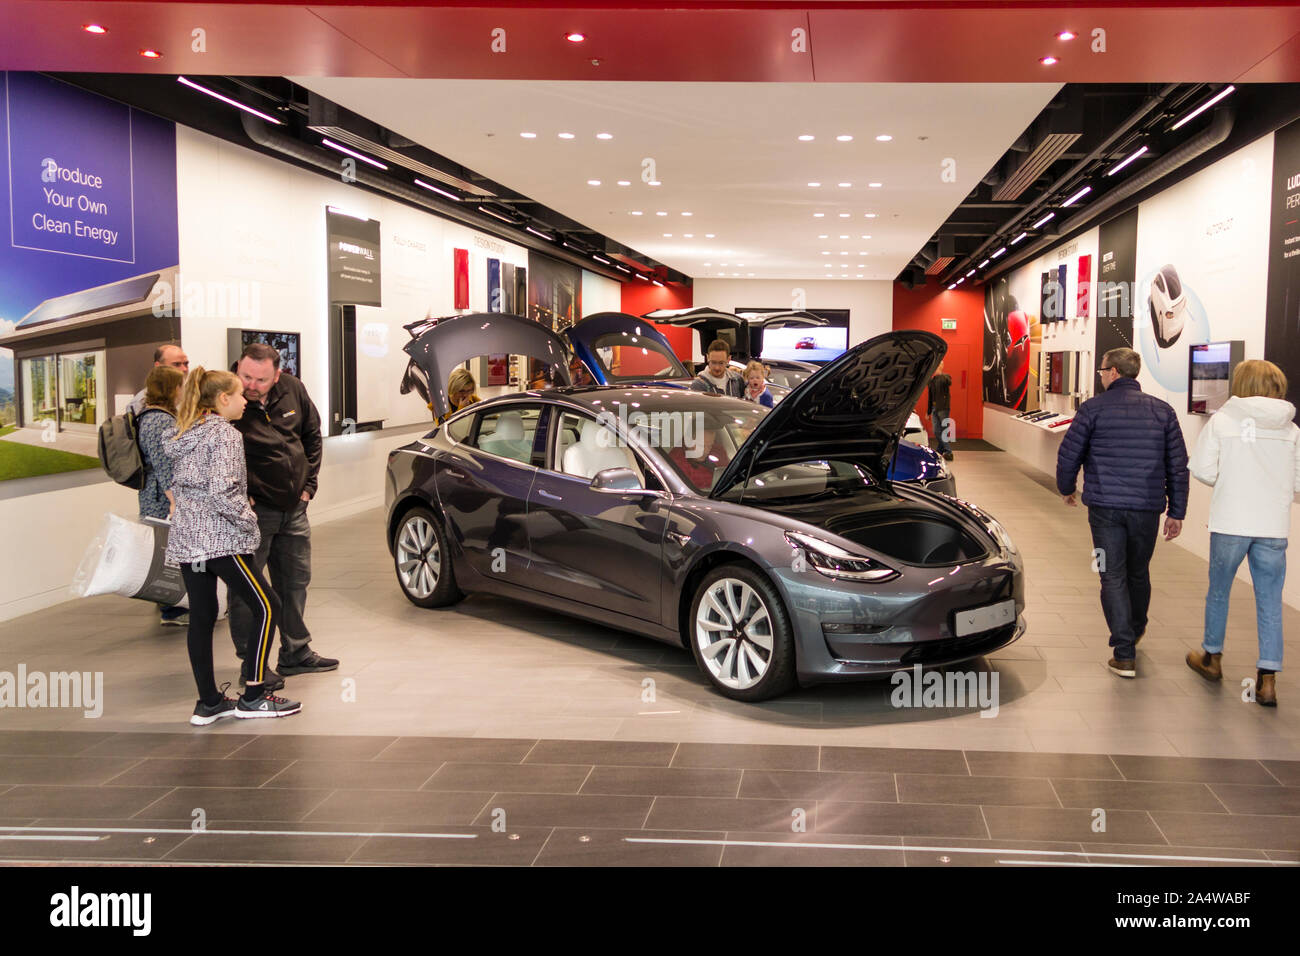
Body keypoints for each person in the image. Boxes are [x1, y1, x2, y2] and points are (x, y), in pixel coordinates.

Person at [165, 367, 300, 725]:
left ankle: (208, 702)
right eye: (240, 394)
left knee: (203, 617)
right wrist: (249, 524)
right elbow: (224, 490)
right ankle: (255, 695)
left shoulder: (183, 433)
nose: (246, 400)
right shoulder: (224, 434)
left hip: (188, 542)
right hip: (220, 540)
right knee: (268, 604)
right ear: (223, 399)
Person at [1056, 347, 1189, 679]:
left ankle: (1124, 651)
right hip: (1147, 510)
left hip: (1104, 510)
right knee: (1138, 571)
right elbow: (1178, 466)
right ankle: (1135, 628)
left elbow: (1069, 452)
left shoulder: (1092, 409)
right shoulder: (1163, 412)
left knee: (1110, 574)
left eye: (1102, 371)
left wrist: (1066, 487)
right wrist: (1177, 510)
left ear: (1114, 372)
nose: (1100, 376)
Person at [1187, 359, 1299, 707]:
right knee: (1269, 600)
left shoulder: (1222, 420)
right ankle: (1267, 679)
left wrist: (1233, 481)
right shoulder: (1291, 430)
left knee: (1219, 592)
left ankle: (1212, 659)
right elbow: (1297, 481)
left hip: (1231, 521)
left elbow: (1203, 470)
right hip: (1272, 524)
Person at [227, 343, 336, 690]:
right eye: (246, 376)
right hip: (254, 513)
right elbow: (219, 449)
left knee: (294, 581)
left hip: (295, 507)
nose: (252, 385)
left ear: (277, 374)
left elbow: (311, 436)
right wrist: (239, 494)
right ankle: (252, 663)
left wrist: (309, 484)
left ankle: (295, 652)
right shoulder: (225, 397)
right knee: (249, 588)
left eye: (261, 379)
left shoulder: (293, 389)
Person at [136, 365, 186, 626]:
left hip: (157, 496)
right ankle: (172, 608)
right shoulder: (159, 420)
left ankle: (174, 605)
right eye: (181, 384)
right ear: (172, 388)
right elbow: (164, 463)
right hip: (161, 499)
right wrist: (174, 501)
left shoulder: (153, 416)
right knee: (167, 553)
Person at [128, 344, 190, 415]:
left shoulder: (190, 397)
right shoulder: (141, 403)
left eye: (186, 364)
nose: (184, 369)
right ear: (159, 366)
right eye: (176, 364)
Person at [927, 361, 954, 461]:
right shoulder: (931, 381)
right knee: (937, 431)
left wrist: (940, 372)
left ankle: (948, 452)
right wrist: (928, 411)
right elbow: (930, 397)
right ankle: (942, 450)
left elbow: (949, 381)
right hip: (934, 409)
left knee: (943, 431)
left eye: (940, 365)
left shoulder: (945, 377)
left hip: (943, 408)